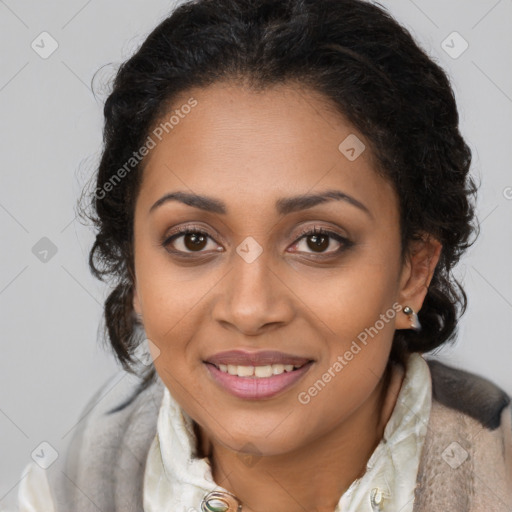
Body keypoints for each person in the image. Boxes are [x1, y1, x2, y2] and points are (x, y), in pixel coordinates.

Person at [16, 0, 512, 510]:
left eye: (318, 241)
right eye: (193, 240)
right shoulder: (64, 493)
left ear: (414, 271)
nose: (250, 310)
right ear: (134, 268)